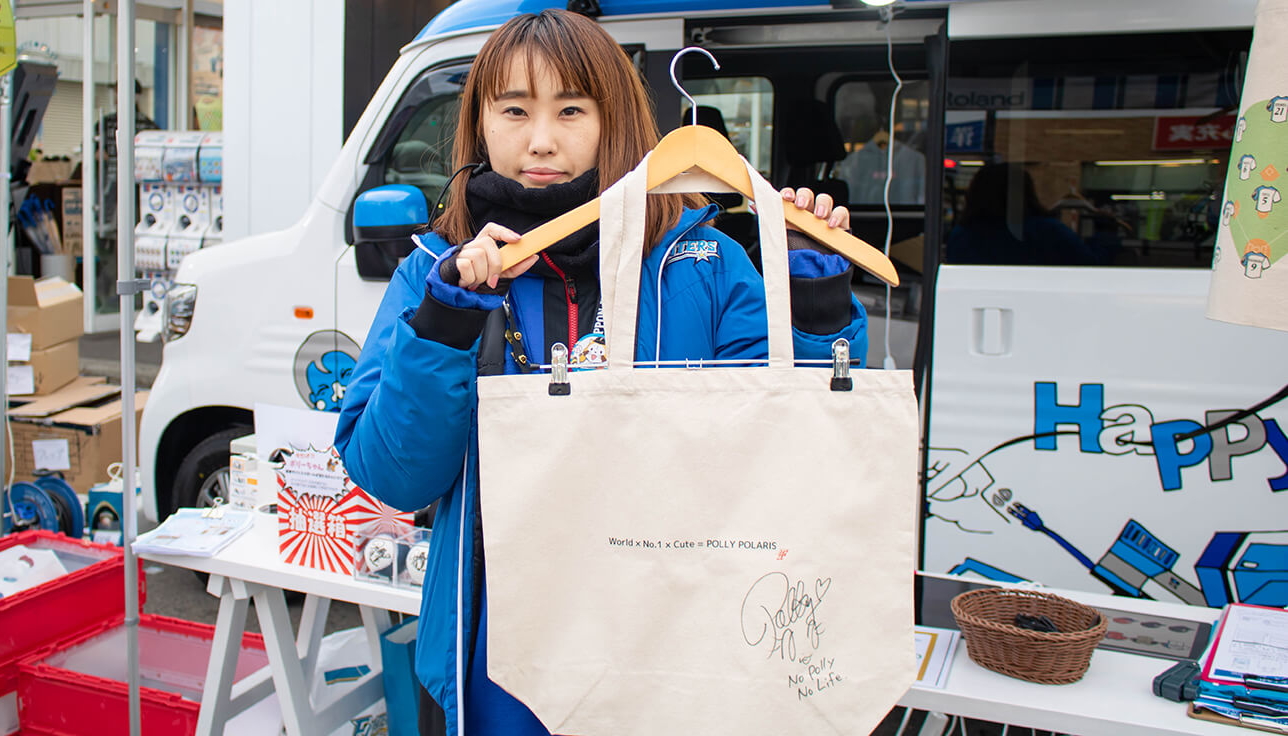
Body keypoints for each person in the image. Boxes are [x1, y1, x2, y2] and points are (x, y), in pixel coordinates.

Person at [335, 10, 869, 735]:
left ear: (612, 120)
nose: (542, 139)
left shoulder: (706, 266)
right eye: (514, 110)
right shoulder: (436, 276)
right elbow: (393, 476)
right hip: (495, 652)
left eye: (571, 110)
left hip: (678, 641)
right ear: (480, 124)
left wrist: (814, 302)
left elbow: (794, 454)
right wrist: (447, 323)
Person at [947, 162, 1106, 266]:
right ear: (1025, 193)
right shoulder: (1048, 232)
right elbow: (1089, 265)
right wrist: (1104, 234)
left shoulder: (962, 236)